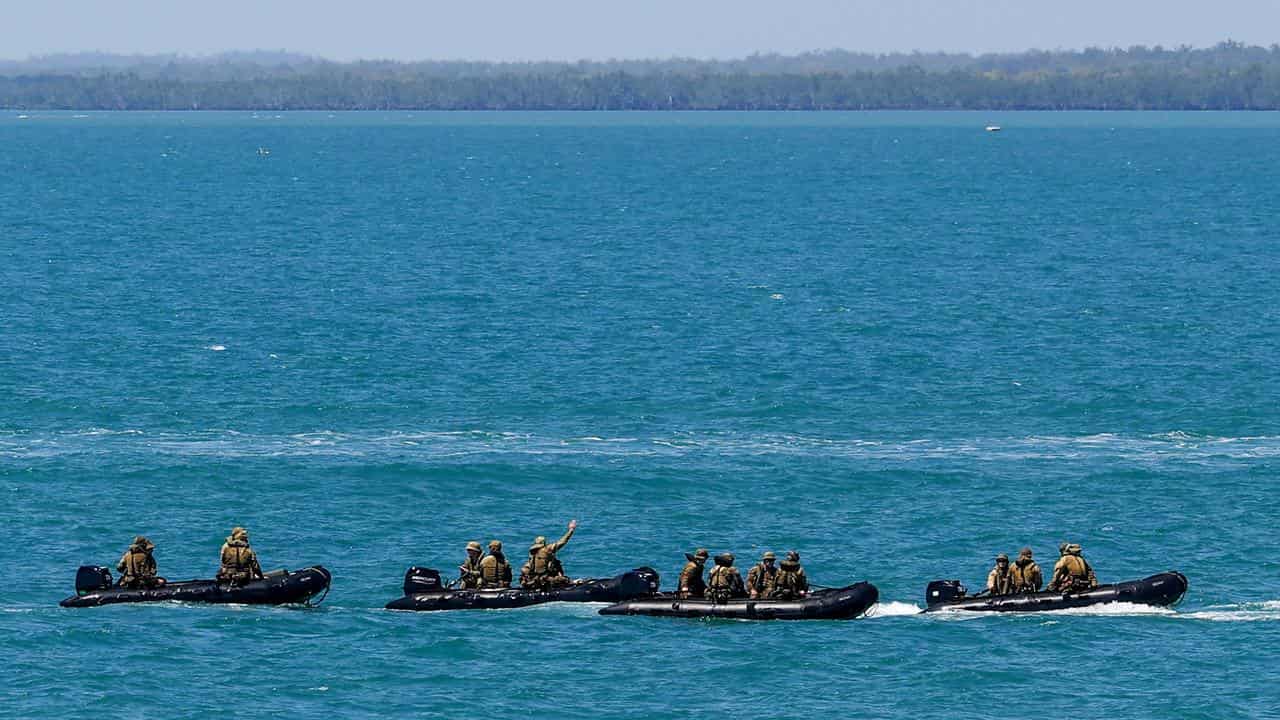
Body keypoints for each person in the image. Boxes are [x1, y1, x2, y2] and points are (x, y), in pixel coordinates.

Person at [520, 519, 577, 591]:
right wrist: (571, 530)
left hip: (535, 580)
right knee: (563, 578)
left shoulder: (532, 553)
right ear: (544, 543)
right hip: (546, 580)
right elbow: (562, 542)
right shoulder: (546, 550)